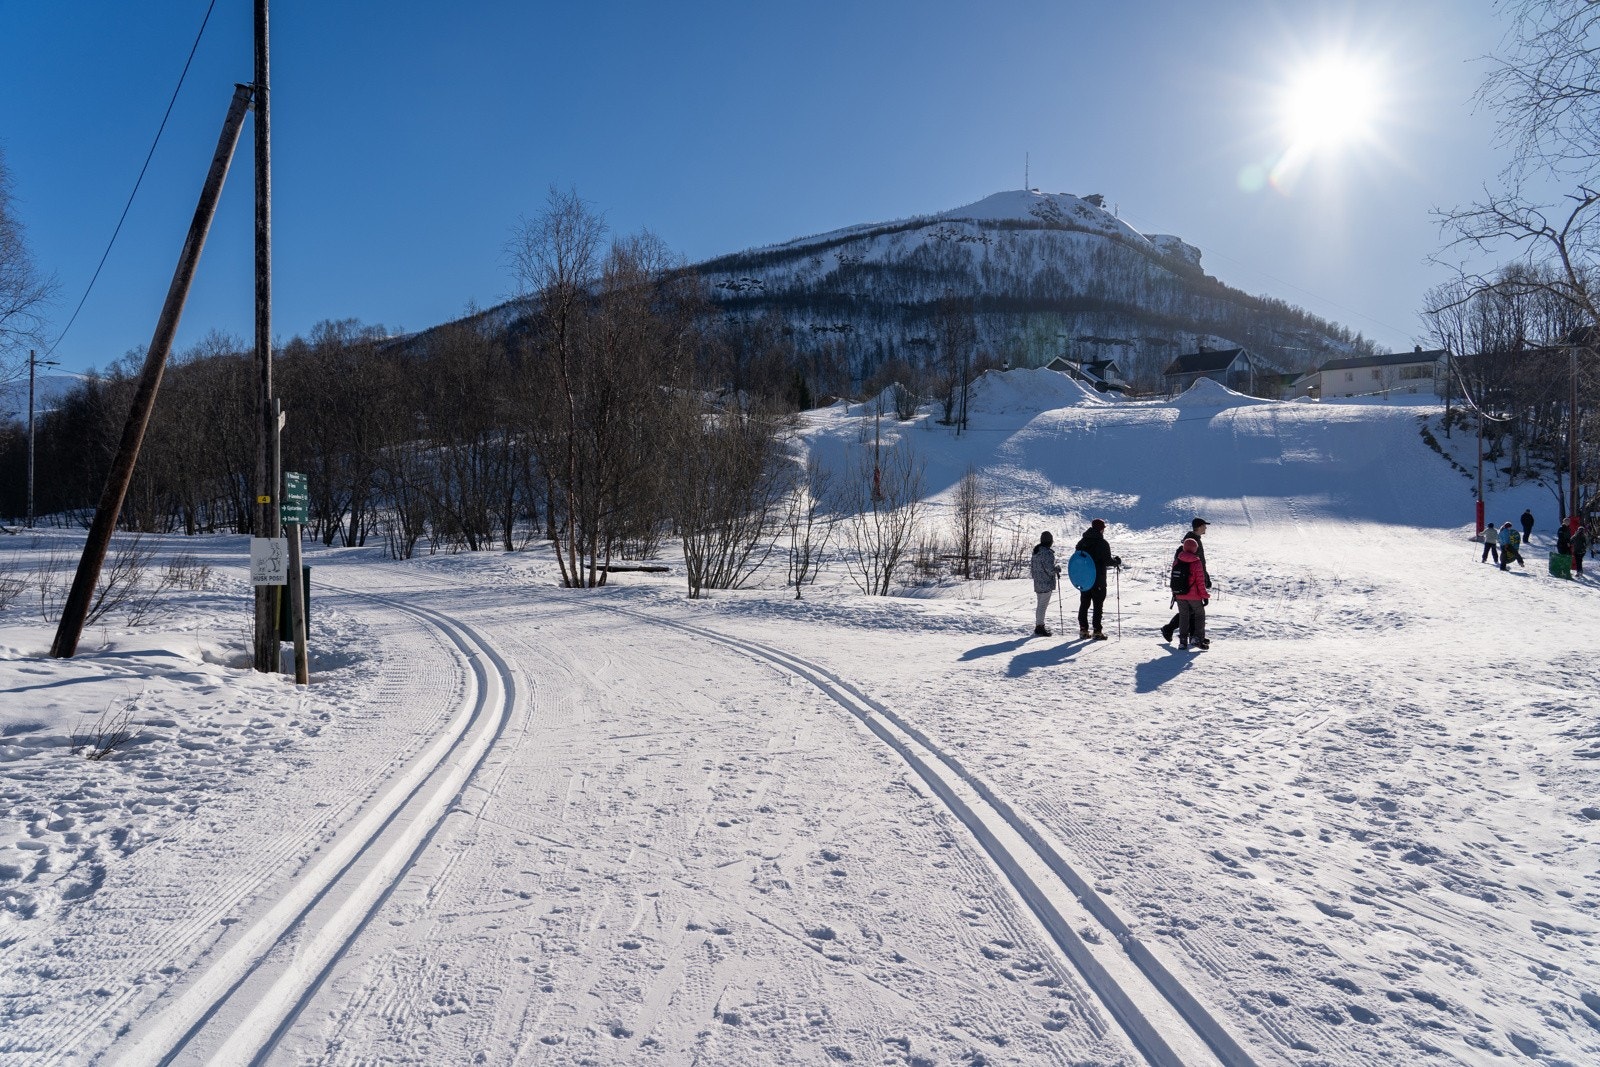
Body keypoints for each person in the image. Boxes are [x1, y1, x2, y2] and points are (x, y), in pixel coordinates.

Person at [1162, 518, 1210, 642]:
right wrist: (1202, 578)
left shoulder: (1194, 539)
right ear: (1199, 527)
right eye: (1204, 526)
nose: (1206, 528)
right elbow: (1193, 563)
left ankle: (1195, 636)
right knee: (1191, 610)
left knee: (1191, 610)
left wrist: (1206, 576)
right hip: (1189, 583)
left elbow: (1200, 563)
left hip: (1192, 581)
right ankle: (1171, 629)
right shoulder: (1192, 542)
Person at [1074, 518, 1122, 640]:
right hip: (1098, 579)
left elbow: (1077, 559)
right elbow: (1107, 561)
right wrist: (1116, 562)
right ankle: (1097, 631)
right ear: (1101, 529)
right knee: (1098, 605)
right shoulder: (1102, 543)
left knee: (1084, 604)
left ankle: (1083, 630)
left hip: (1085, 579)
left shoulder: (1082, 542)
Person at [1172, 536, 1210, 650]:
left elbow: (1173, 579)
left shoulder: (1177, 560)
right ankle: (1197, 639)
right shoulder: (1196, 562)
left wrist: (1174, 593)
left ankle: (1182, 642)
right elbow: (1200, 582)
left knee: (1184, 616)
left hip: (1180, 594)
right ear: (1195, 549)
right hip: (1194, 596)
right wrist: (1205, 596)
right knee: (1199, 615)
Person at [1030, 531, 1058, 636]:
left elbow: (1032, 568)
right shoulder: (1047, 553)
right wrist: (1057, 569)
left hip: (1037, 583)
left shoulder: (1036, 551)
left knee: (1040, 605)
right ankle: (1040, 627)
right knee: (1042, 606)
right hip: (1046, 583)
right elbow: (1050, 570)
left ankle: (1039, 625)